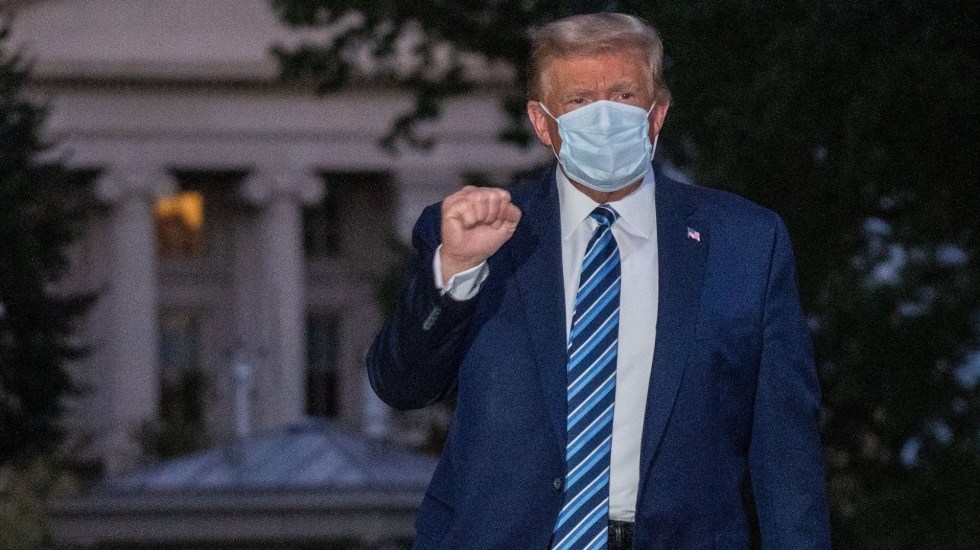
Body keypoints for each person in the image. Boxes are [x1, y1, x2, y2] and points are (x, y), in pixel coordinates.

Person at [367, 12, 831, 550]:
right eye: (580, 100)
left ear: (657, 113)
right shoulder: (484, 234)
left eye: (623, 96)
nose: (604, 118)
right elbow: (401, 385)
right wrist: (458, 272)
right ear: (543, 123)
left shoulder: (745, 243)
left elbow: (786, 452)